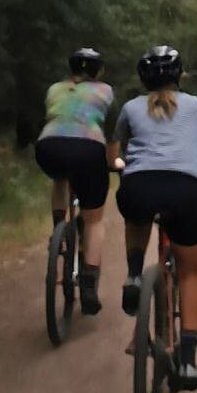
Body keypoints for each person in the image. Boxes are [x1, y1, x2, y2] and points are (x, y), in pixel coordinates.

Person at [110, 45, 197, 390]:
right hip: (184, 191)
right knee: (191, 272)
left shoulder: (130, 108)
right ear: (180, 76)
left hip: (138, 186)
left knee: (136, 217)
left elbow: (117, 151)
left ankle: (135, 277)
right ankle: (188, 361)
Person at [34, 47, 114, 315]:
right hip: (89, 148)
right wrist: (113, 162)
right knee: (94, 219)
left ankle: (59, 228)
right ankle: (89, 284)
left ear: (71, 69)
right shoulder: (105, 91)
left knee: (59, 178)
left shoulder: (54, 89)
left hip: (48, 146)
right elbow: (110, 130)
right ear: (98, 71)